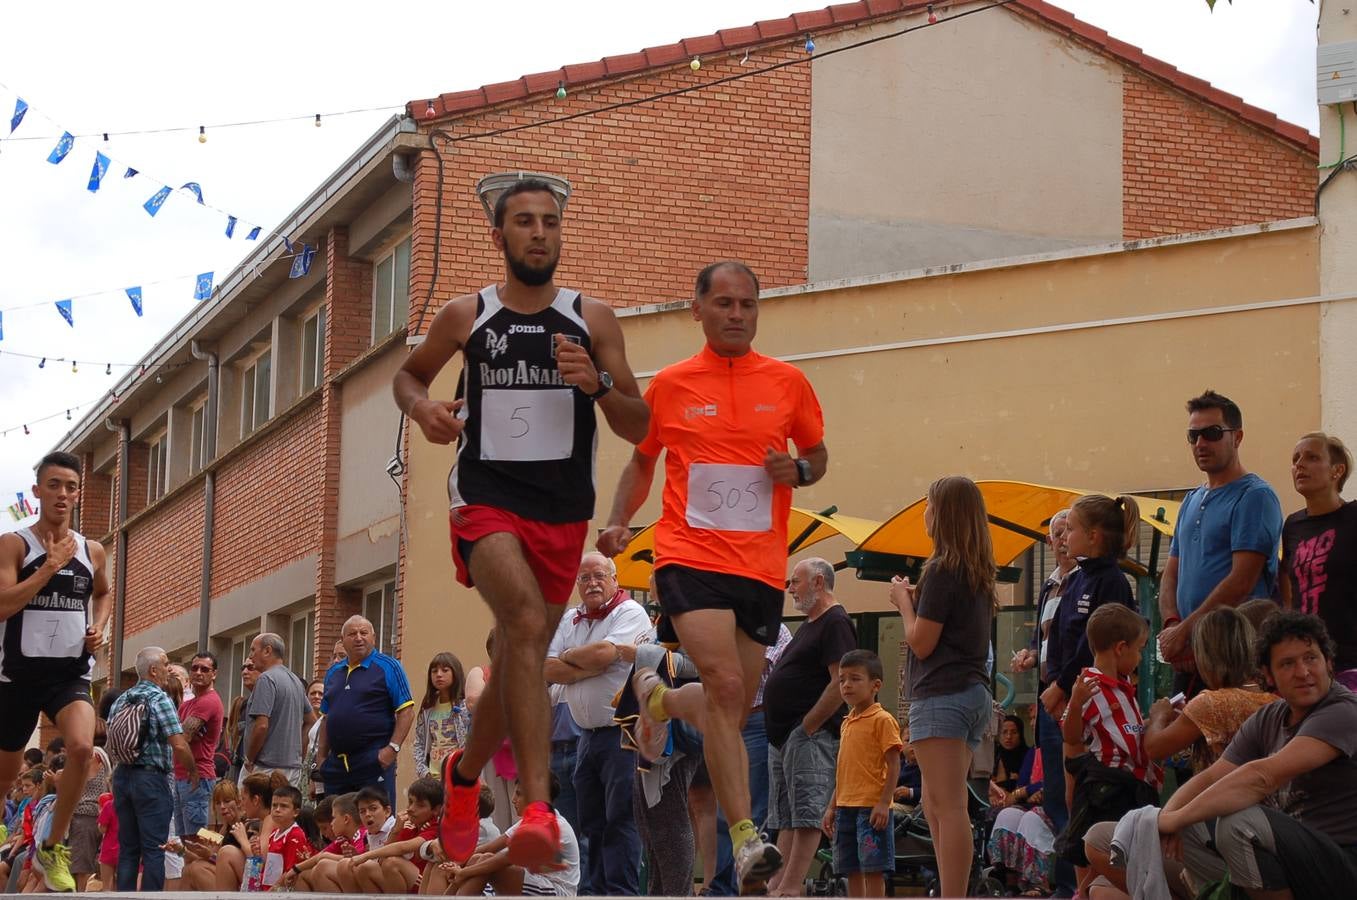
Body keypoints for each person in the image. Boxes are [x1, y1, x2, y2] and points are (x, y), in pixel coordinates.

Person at [394, 177, 650, 870]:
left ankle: (465, 774)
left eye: (550, 223)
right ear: (499, 236)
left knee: (517, 658)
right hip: (484, 495)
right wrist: (426, 413)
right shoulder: (466, 314)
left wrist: (595, 384)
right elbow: (408, 378)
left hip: (562, 509)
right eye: (525, 222)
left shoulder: (591, 318)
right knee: (529, 628)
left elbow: (639, 420)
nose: (539, 233)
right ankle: (539, 808)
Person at [600, 260, 827, 890]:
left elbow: (817, 455)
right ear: (696, 310)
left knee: (732, 700)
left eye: (747, 305)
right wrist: (620, 518)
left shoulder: (788, 383)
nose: (736, 314)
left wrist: (799, 474)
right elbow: (642, 461)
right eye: (723, 303)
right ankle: (746, 838)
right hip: (688, 556)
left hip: (758, 564)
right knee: (725, 680)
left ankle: (660, 699)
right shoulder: (672, 384)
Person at [1145, 612, 1357, 897]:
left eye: (1311, 658)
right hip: (1287, 859)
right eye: (1287, 663)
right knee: (1124, 839)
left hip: (1341, 866)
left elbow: (1262, 776)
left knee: (1237, 824)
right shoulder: (1270, 716)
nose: (1303, 672)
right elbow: (1212, 776)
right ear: (1268, 675)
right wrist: (1169, 819)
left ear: (1329, 663)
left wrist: (1174, 818)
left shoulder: (1343, 710)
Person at [1083, 606, 1276, 899]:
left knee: (1098, 842)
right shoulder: (1272, 701)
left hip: (1221, 844)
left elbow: (1154, 747)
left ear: (1206, 655)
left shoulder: (1213, 702)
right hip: (1261, 843)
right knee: (1100, 888)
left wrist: (1160, 714)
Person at [0, 451, 111, 892]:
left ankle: (51, 846)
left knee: (83, 747)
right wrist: (49, 566)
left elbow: (102, 595)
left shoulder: (93, 551)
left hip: (69, 674)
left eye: (70, 486)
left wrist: (98, 627)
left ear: (78, 494)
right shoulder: (14, 544)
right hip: (17, 677)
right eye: (54, 485)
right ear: (38, 491)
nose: (62, 494)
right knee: (5, 776)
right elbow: (3, 605)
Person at [1158, 390, 1283, 693]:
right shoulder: (1190, 499)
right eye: (1193, 435)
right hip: (1190, 657)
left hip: (1235, 657)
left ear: (1237, 437)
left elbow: (1241, 581)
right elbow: (1171, 572)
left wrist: (1188, 632)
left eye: (1212, 433)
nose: (1201, 443)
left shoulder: (1254, 496)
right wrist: (1172, 626)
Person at [544, 552, 650, 895]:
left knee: (620, 817)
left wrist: (572, 658)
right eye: (585, 578)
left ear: (614, 580)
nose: (592, 583)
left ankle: (620, 891)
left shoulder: (629, 611)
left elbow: (607, 654)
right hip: (585, 735)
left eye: (599, 576)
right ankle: (593, 891)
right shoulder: (570, 618)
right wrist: (593, 662)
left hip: (622, 731)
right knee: (590, 821)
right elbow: (544, 667)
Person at [760, 558, 856, 897]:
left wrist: (809, 724)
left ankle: (789, 887)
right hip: (785, 737)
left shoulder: (835, 623)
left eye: (795, 582)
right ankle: (778, 884)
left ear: (818, 582)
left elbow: (840, 681)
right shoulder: (811, 624)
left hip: (807, 738)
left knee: (806, 812)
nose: (790, 589)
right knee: (786, 816)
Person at [1058, 605, 1159, 894]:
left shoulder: (1122, 684)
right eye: (1139, 650)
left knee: (1121, 855)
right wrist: (1076, 703)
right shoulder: (1090, 685)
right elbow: (1070, 734)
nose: (1140, 658)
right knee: (1104, 853)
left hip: (1131, 782)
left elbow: (1127, 730)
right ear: (1120, 648)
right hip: (1109, 785)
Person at [1011, 510, 1078, 895]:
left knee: (1073, 798)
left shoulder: (1085, 582)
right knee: (1056, 798)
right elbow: (1046, 641)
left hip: (1073, 702)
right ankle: (1066, 884)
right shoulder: (1049, 586)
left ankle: (1074, 886)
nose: (1062, 539)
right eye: (1056, 533)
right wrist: (1032, 655)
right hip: (1048, 704)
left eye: (1068, 530)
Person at [1040, 494, 1141, 725]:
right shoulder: (1076, 579)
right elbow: (1055, 634)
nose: (1064, 537)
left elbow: (1095, 645)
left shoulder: (1112, 582)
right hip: (1065, 697)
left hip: (1098, 701)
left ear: (1092, 536)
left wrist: (1063, 687)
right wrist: (1056, 684)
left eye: (1070, 529)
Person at [108, 646, 199, 892]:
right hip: (150, 779)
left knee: (128, 848)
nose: (169, 669)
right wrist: (192, 770)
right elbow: (179, 745)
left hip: (122, 776)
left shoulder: (120, 700)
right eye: (166, 663)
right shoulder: (160, 698)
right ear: (153, 670)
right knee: (154, 848)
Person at [821, 650, 902, 899]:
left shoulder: (882, 720)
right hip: (845, 807)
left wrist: (883, 802)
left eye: (855, 678)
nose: (846, 685)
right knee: (850, 868)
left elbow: (894, 763)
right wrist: (832, 806)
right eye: (842, 679)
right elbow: (844, 770)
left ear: (875, 685)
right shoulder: (847, 721)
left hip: (870, 809)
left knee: (873, 868)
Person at [1280, 431, 1357, 688]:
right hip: (1307, 664)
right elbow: (1289, 594)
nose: (1299, 464)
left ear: (1337, 471)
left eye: (1312, 457)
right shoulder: (1292, 525)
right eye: (1295, 459)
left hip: (1349, 661)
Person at [316, 615, 415, 808]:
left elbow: (406, 711)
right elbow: (326, 719)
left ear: (374, 637)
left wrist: (392, 750)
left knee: (376, 824)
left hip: (373, 761)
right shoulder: (333, 672)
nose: (358, 638)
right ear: (343, 639)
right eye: (352, 634)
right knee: (337, 825)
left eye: (364, 633)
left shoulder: (389, 666)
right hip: (336, 765)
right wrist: (321, 758)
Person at [431, 776, 581, 897]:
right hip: (536, 882)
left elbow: (507, 858)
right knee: (477, 858)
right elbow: (490, 847)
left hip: (557, 891)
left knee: (486, 862)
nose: (514, 799)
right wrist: (458, 864)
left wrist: (463, 872)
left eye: (519, 794)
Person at [343, 777, 443, 893]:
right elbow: (382, 859)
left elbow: (403, 847)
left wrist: (365, 856)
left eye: (420, 805)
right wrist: (396, 830)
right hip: (406, 880)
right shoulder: (409, 826)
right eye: (410, 802)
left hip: (424, 882)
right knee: (365, 868)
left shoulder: (435, 826)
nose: (411, 809)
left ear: (436, 810)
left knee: (392, 863)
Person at [242, 633, 312, 787]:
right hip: (292, 768)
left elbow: (261, 725)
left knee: (251, 808)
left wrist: (250, 759)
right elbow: (311, 720)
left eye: (253, 650)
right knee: (283, 808)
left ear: (267, 651)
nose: (250, 656)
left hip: (265, 767)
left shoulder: (266, 679)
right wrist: (298, 752)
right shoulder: (295, 681)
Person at [176, 651, 223, 839]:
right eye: (194, 668)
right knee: (184, 840)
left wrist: (175, 733)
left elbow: (181, 738)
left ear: (214, 674)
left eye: (205, 669)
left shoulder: (208, 701)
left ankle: (212, 866)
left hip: (198, 776)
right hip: (182, 775)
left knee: (200, 840)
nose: (198, 672)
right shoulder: (188, 704)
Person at [413, 652, 471, 780]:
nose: (439, 675)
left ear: (455, 673)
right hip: (432, 778)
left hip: (457, 776)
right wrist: (424, 772)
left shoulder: (465, 705)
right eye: (434, 671)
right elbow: (419, 743)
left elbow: (471, 739)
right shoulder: (428, 707)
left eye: (445, 670)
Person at [259, 784, 313, 890]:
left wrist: (272, 891)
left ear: (296, 812)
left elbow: (291, 870)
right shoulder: (274, 834)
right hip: (268, 889)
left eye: (284, 806)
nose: (277, 809)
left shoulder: (295, 835)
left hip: (283, 891)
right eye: (274, 805)